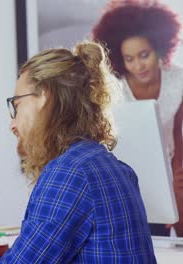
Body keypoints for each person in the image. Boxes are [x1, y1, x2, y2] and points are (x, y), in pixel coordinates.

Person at [0, 41, 155, 263]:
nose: (12, 124)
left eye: (16, 106)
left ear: (44, 97)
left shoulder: (69, 173)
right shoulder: (112, 166)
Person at [92, 0, 183, 236]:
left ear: (160, 48)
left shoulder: (178, 80)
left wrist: (175, 185)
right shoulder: (115, 91)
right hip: (130, 177)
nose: (138, 65)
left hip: (171, 170)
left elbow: (177, 135)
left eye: (144, 55)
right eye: (129, 59)